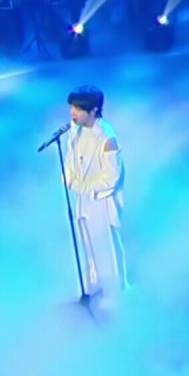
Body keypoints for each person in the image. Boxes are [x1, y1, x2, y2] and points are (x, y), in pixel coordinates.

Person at [64, 85, 128, 310]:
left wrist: (82, 186)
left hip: (101, 202)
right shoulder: (76, 131)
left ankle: (115, 293)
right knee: (88, 245)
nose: (72, 112)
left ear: (93, 111)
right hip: (84, 200)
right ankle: (93, 283)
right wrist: (70, 177)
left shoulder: (107, 138)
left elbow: (111, 178)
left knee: (106, 248)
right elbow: (72, 157)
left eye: (78, 108)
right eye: (72, 107)